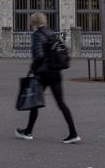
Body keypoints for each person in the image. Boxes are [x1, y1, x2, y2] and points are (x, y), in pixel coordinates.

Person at [16, 12, 79, 144]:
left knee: (35, 101)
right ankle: (73, 133)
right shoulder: (51, 33)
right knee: (61, 103)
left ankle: (28, 131)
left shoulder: (37, 35)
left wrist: (33, 67)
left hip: (43, 73)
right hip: (56, 72)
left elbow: (39, 55)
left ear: (33, 23)